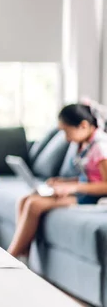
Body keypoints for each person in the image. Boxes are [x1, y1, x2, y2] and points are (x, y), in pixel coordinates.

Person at [8, 103, 107, 257]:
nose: (67, 139)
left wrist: (74, 187)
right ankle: (24, 255)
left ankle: (11, 255)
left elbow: (105, 185)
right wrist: (63, 182)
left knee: (34, 204)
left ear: (83, 125)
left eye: (67, 132)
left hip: (94, 197)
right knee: (24, 200)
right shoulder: (84, 143)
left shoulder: (100, 147)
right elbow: (90, 176)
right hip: (82, 190)